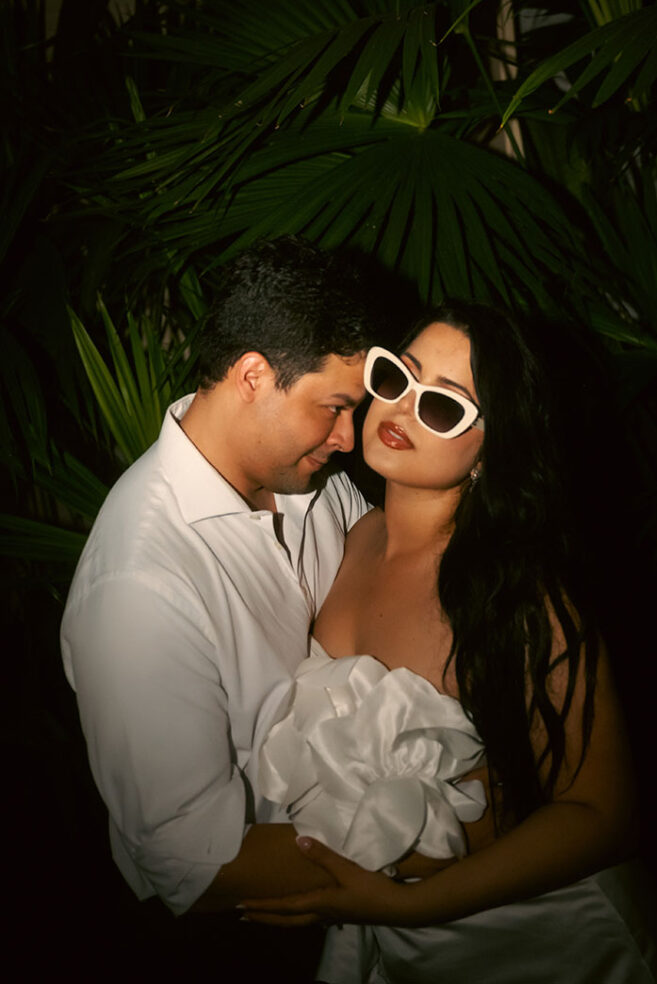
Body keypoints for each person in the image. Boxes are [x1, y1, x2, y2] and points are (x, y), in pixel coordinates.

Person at [243, 301, 657, 982]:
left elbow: (603, 813)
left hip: (544, 944)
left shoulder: (520, 593)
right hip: (394, 942)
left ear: (489, 452)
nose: (404, 408)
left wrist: (415, 905)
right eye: (396, 378)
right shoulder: (345, 540)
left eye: (444, 407)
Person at [59, 236, 395, 974]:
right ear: (253, 375)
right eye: (334, 408)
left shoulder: (310, 478)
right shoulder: (139, 588)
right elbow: (200, 866)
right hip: (238, 939)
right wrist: (446, 855)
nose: (349, 439)